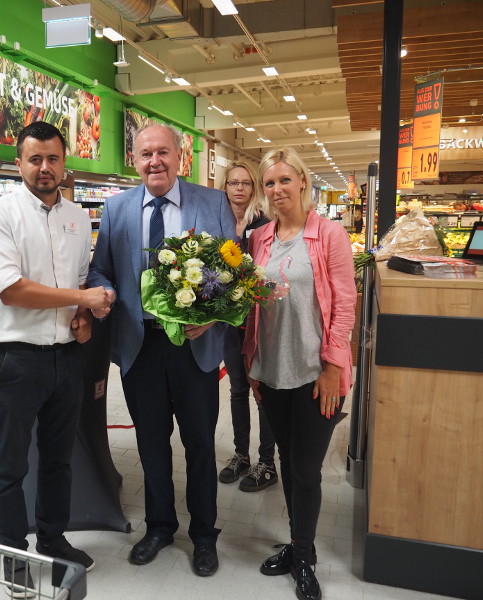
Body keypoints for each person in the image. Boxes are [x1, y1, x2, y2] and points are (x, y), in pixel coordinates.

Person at [87, 123, 236, 577]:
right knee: (151, 444)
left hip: (196, 348)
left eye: (163, 153)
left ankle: (205, 535)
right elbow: (100, 271)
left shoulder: (212, 204)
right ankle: (159, 527)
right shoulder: (116, 208)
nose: (155, 161)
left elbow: (237, 271)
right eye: (146, 154)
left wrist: (212, 313)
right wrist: (103, 293)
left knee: (199, 446)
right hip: (141, 346)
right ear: (134, 159)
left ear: (180, 157)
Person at [0, 122, 111, 597]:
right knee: (10, 465)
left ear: (63, 162)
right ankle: (14, 553)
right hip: (16, 362)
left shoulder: (77, 217)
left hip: (66, 359)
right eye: (35, 159)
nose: (45, 168)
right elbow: (11, 290)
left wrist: (84, 316)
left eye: (53, 159)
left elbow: (77, 281)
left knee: (58, 461)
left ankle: (53, 541)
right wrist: (82, 296)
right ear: (19, 163)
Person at [243, 147, 356, 600]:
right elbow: (252, 302)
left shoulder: (329, 235)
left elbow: (345, 304)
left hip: (315, 374)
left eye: (285, 180)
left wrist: (333, 365)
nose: (276, 190)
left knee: (307, 471)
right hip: (272, 371)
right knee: (288, 464)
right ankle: (295, 544)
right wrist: (252, 361)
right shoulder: (260, 238)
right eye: (269, 183)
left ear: (303, 182)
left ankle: (305, 558)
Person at [217, 162, 279, 493]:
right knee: (238, 388)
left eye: (245, 183)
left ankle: (266, 462)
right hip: (229, 321)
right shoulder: (218, 221)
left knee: (262, 391)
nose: (239, 189)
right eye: (233, 183)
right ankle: (241, 454)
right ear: (224, 186)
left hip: (260, 320)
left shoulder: (266, 223)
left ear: (253, 187)